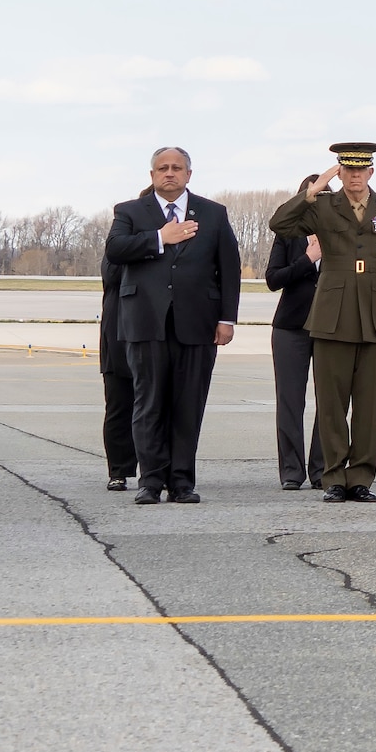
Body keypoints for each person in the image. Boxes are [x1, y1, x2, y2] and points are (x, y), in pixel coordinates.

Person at [270, 145, 376, 503]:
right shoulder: (322, 207)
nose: (354, 176)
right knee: (332, 401)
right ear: (339, 172)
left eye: (360, 170)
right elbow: (280, 223)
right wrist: (313, 190)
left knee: (370, 403)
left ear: (371, 172)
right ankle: (333, 477)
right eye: (347, 170)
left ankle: (361, 476)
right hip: (332, 314)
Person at [105, 147, 240, 505]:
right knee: (148, 403)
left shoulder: (213, 213)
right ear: (152, 176)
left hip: (197, 324)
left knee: (187, 405)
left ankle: (182, 481)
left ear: (188, 175)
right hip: (145, 322)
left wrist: (227, 319)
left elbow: (229, 268)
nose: (169, 173)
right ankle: (150, 481)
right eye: (162, 168)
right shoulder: (130, 212)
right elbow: (116, 250)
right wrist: (162, 238)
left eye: (176, 168)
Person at [96, 191, 152, 491]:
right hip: (119, 333)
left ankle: (154, 469)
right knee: (119, 403)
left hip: (152, 331)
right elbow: (113, 273)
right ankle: (119, 469)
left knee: (155, 405)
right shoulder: (120, 244)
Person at [265, 224, 326, 489]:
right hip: (290, 326)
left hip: (332, 327)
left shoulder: (341, 232)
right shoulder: (288, 236)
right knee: (289, 401)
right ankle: (291, 470)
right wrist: (308, 259)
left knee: (330, 401)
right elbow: (273, 279)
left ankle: (323, 469)